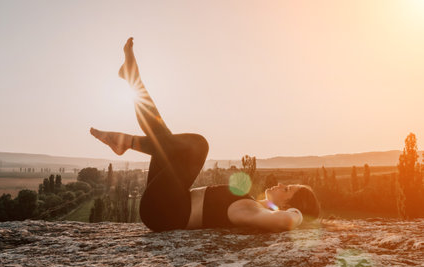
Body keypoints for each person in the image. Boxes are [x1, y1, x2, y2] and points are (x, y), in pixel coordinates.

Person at [90, 37, 320, 232]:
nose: (281, 185)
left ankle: (125, 140)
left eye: (287, 190)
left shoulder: (251, 210)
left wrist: (298, 214)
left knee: (198, 145)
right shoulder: (253, 203)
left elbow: (287, 220)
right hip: (164, 203)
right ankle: (132, 78)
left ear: (288, 204)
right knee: (163, 138)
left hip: (163, 212)